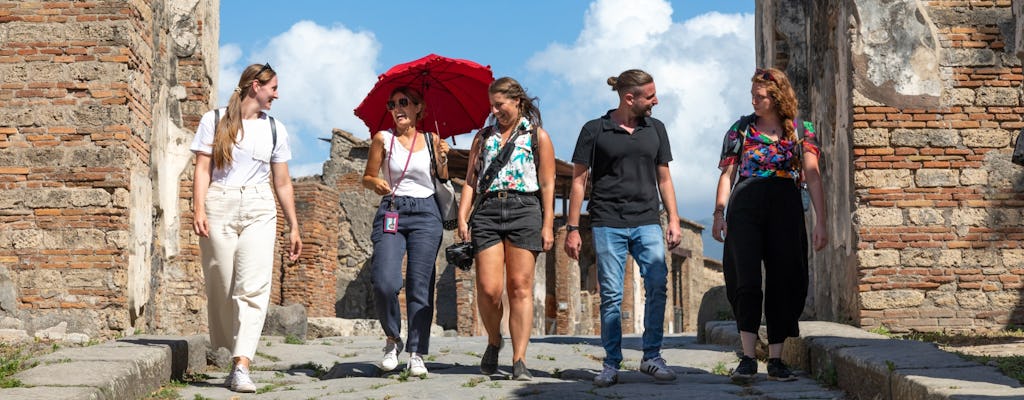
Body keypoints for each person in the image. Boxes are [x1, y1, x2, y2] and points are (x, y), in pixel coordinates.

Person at [190, 63, 303, 393]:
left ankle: (242, 363)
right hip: (219, 202)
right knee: (221, 281)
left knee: (252, 286)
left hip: (259, 207)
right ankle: (228, 348)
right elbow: (202, 169)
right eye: (273, 88)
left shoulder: (274, 130)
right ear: (256, 86)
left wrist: (293, 226)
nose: (277, 95)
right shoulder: (214, 120)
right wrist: (198, 208)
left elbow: (282, 182)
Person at [564, 69, 681, 387]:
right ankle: (611, 362)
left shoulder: (656, 129)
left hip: (647, 221)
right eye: (650, 95)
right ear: (630, 98)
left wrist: (673, 219)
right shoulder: (594, 130)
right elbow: (578, 181)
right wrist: (573, 228)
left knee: (657, 283)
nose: (656, 100)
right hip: (606, 222)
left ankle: (652, 356)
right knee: (612, 295)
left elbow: (664, 178)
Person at [711, 67, 828, 382]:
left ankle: (776, 360)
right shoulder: (742, 130)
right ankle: (748, 357)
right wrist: (719, 213)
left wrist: (821, 221)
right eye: (752, 95)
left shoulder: (802, 132)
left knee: (784, 279)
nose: (754, 101)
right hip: (745, 205)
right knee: (745, 277)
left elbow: (813, 177)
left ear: (776, 97)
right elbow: (727, 174)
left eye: (759, 96)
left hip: (786, 207)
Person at [457, 77, 555, 381]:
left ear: (517, 102)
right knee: (489, 289)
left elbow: (549, 183)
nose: (494, 110)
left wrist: (549, 223)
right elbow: (471, 181)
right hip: (487, 211)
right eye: (492, 106)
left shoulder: (538, 137)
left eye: (499, 104)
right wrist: (463, 216)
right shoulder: (482, 137)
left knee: (520, 286)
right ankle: (494, 340)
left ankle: (519, 359)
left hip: (525, 209)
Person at [361, 86, 450, 377]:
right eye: (392, 104)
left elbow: (443, 178)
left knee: (420, 284)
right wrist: (376, 184)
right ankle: (392, 338)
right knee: (384, 280)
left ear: (418, 108)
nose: (397, 108)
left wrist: (443, 157)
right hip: (393, 210)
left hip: (427, 213)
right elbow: (368, 176)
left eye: (404, 102)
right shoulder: (382, 139)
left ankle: (416, 352)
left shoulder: (432, 139)